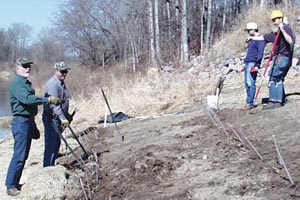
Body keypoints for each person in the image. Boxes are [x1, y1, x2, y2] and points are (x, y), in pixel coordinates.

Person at [5, 58, 62, 196]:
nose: (28, 69)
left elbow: (29, 102)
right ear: (18, 68)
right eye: (25, 66)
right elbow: (27, 99)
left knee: (24, 154)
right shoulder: (17, 83)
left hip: (28, 121)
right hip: (21, 122)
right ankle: (10, 185)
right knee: (19, 155)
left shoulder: (25, 82)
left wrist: (33, 124)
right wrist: (46, 99)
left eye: (29, 66)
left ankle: (14, 182)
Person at [263, 10, 295, 109]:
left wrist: (283, 29)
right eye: (273, 20)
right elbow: (266, 37)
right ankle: (280, 97)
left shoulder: (286, 28)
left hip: (283, 57)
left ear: (280, 18)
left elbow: (290, 41)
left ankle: (275, 101)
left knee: (275, 78)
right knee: (276, 77)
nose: (273, 22)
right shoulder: (278, 32)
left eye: (275, 19)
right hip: (279, 57)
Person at [43, 62, 72, 167]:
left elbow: (63, 100)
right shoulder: (52, 84)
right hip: (52, 118)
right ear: (55, 71)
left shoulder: (61, 82)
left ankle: (52, 166)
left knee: (56, 143)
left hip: (58, 118)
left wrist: (66, 115)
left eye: (66, 71)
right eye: (62, 71)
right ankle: (47, 169)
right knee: (51, 145)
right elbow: (54, 105)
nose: (64, 74)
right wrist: (62, 118)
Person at [243, 22, 266, 110]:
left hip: (253, 62)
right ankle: (249, 101)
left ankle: (250, 102)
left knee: (250, 83)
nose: (248, 32)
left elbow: (260, 53)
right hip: (248, 62)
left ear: (253, 29)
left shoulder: (260, 39)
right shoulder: (252, 39)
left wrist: (257, 65)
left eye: (249, 30)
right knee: (246, 84)